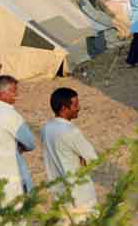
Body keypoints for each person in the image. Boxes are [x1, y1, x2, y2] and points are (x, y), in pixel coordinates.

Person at [41, 87, 98, 216]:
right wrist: (82, 160)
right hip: (80, 194)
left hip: (59, 193)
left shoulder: (46, 128)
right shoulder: (71, 131)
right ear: (63, 108)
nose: (79, 108)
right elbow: (94, 159)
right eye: (75, 105)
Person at [0, 75, 34, 203]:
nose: (17, 94)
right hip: (12, 176)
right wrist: (18, 146)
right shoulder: (10, 114)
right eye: (13, 91)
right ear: (1, 93)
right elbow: (30, 143)